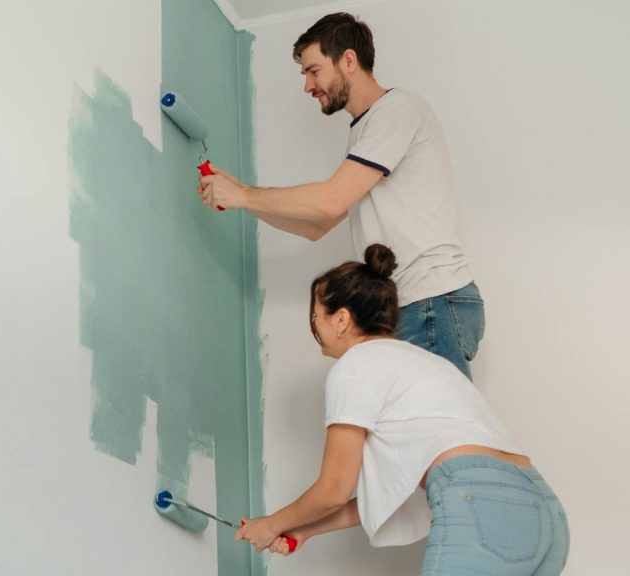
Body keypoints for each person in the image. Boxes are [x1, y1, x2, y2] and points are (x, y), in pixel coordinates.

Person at [234, 244, 569, 575]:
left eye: (315, 315)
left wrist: (271, 523)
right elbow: (384, 498)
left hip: (478, 503)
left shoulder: (354, 366)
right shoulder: (422, 363)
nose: (313, 326)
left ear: (341, 319)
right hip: (546, 514)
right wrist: (304, 528)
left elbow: (334, 488)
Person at [198, 13, 484, 379]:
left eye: (313, 71)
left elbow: (330, 200)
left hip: (430, 301)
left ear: (348, 60)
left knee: (438, 433)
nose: (307, 85)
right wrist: (242, 198)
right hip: (417, 305)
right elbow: (317, 225)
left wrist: (243, 194)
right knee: (410, 432)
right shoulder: (367, 132)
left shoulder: (396, 110)